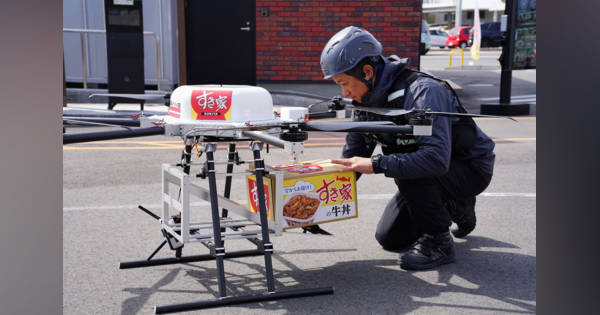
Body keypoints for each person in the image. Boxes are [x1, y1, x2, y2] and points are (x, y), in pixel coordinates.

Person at [321, 26, 496, 270]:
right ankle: (456, 206)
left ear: (367, 72)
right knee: (391, 239)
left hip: (467, 168)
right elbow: (353, 158)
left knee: (407, 167)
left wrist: (376, 164)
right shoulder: (364, 103)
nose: (344, 93)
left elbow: (435, 159)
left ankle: (439, 244)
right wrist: (313, 196)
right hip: (427, 173)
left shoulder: (423, 92)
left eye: (344, 83)